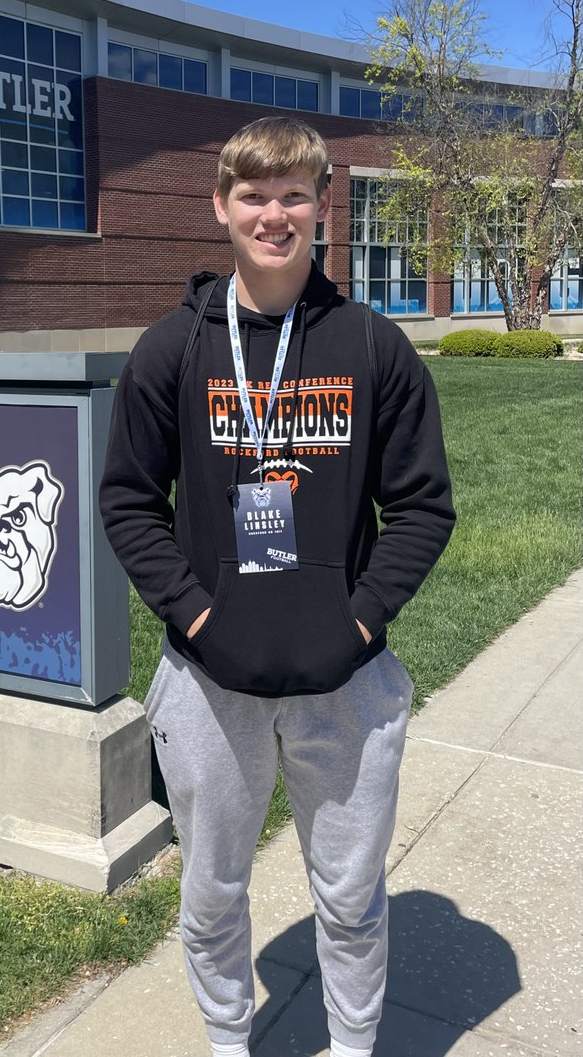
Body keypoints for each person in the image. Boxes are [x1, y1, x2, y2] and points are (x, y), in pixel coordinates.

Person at [98, 116, 455, 1057]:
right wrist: (199, 614)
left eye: (295, 193)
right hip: (211, 682)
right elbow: (129, 503)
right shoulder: (170, 351)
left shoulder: (374, 347)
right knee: (212, 889)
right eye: (254, 195)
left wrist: (364, 622)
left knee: (347, 894)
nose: (274, 214)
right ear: (220, 207)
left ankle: (350, 1046)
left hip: (346, 681)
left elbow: (423, 507)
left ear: (322, 208)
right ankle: (228, 1041)